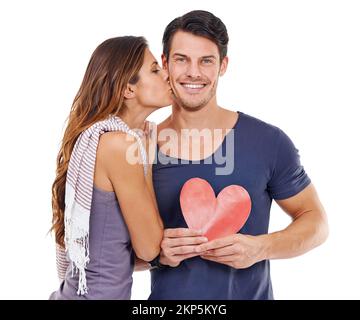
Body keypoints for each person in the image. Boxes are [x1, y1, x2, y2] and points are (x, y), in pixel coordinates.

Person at [147, 10, 329, 299]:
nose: (193, 72)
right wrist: (156, 255)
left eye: (206, 60)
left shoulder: (268, 142)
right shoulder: (140, 147)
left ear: (223, 65)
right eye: (182, 59)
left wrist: (261, 247)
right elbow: (111, 252)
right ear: (166, 64)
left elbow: (316, 222)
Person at [49, 36, 173, 299]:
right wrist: (147, 162)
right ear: (128, 89)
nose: (166, 75)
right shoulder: (118, 144)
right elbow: (149, 248)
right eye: (154, 70)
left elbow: (110, 253)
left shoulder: (105, 138)